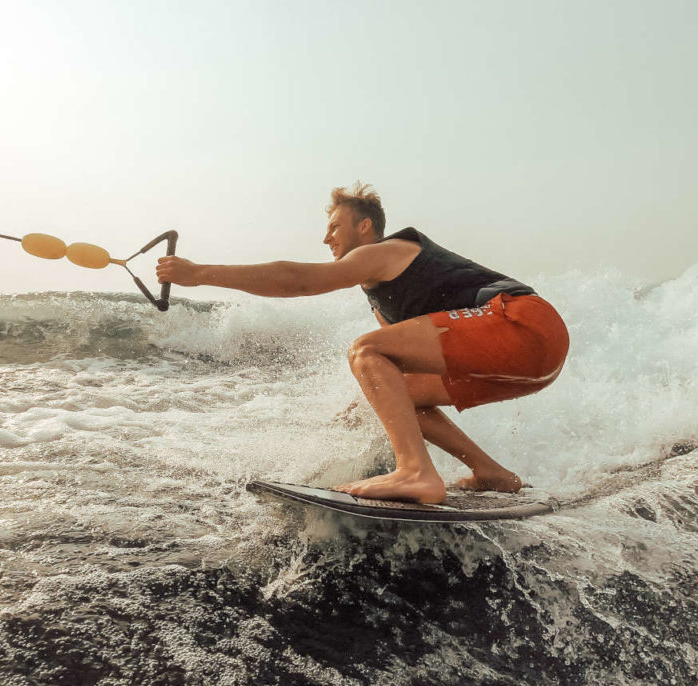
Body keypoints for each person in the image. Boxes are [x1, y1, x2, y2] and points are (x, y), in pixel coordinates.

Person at [156, 183, 569, 504]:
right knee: (392, 390)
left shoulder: (386, 252)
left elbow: (299, 281)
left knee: (365, 349)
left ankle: (415, 472)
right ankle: (492, 473)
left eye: (335, 226)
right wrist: (360, 411)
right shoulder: (382, 298)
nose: (326, 238)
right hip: (533, 360)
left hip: (524, 323)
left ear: (364, 226)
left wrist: (200, 274)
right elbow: (393, 381)